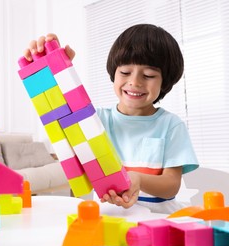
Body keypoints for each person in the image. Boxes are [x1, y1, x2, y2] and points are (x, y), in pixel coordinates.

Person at [23, 24, 199, 214]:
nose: (135, 82)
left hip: (157, 221)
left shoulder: (170, 125)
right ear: (114, 73)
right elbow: (61, 114)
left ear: (165, 81)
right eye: (125, 72)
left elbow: (171, 185)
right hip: (109, 218)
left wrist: (137, 178)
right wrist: (58, 69)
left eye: (148, 75)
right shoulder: (96, 120)